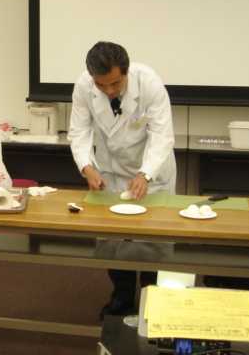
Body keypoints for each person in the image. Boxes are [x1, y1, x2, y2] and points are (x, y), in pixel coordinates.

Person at [68, 41, 176, 320]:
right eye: (101, 85)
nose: (109, 91)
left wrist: (145, 173)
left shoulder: (149, 83)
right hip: (111, 171)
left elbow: (162, 135)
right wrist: (86, 167)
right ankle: (122, 297)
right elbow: (79, 131)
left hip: (152, 171)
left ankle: (153, 300)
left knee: (153, 238)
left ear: (126, 71)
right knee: (113, 239)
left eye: (115, 83)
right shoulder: (84, 86)